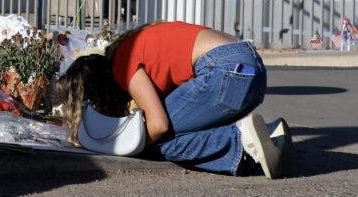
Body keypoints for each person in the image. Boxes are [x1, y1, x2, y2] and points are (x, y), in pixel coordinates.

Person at [56, 21, 292, 178]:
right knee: (177, 130)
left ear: (98, 89)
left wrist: (130, 146)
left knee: (162, 142)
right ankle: (269, 135)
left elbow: (158, 125)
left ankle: (246, 146)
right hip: (251, 69)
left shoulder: (121, 64)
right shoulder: (134, 44)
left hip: (226, 71)